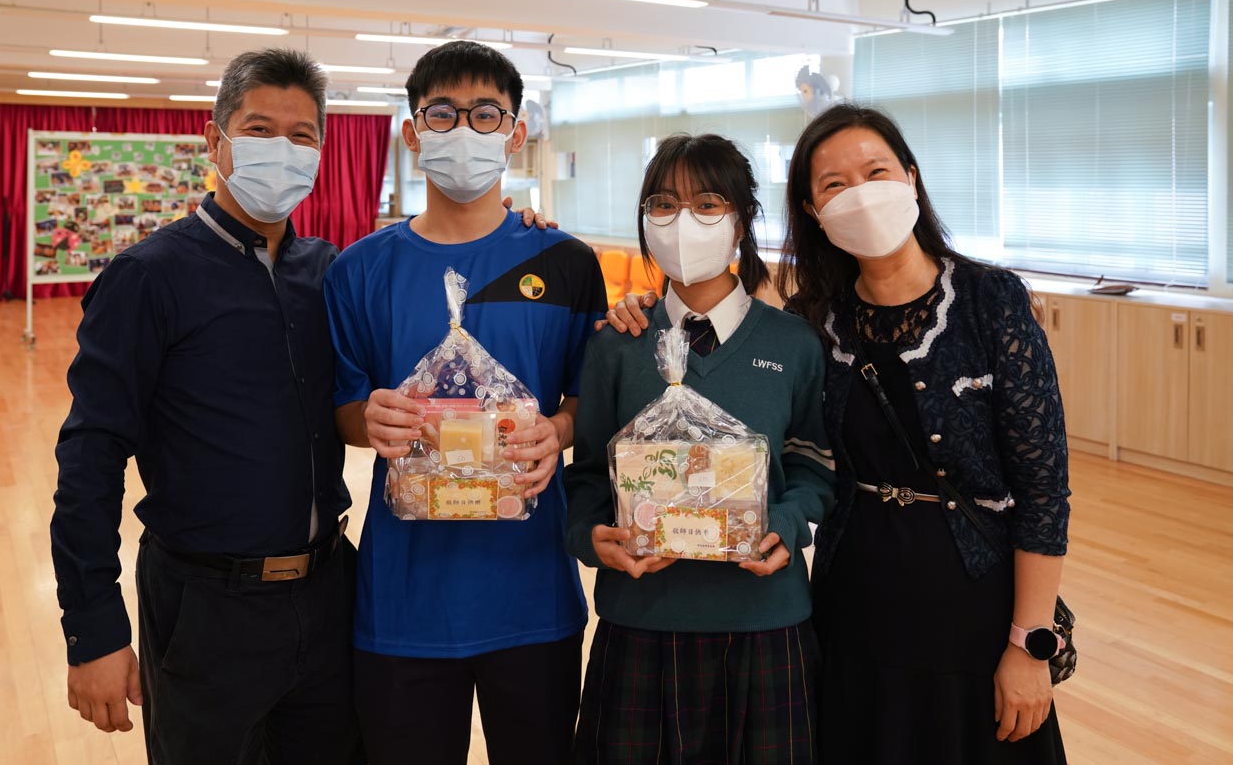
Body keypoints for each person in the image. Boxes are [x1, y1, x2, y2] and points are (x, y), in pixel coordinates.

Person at [609, 105, 1072, 764]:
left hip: (972, 599)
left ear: (910, 177)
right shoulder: (814, 321)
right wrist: (647, 312)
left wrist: (1030, 642)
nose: (859, 193)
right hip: (853, 598)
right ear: (813, 209)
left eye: (875, 172)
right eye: (833, 184)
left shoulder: (990, 301)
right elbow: (781, 440)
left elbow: (1044, 489)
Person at [51, 48, 362, 763]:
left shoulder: (329, 273)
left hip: (329, 594)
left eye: (301, 135)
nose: (281, 149)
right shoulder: (148, 277)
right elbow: (91, 454)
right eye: (258, 130)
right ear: (215, 140)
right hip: (206, 607)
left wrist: (517, 230)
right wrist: (93, 629)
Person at [325, 40, 607, 765]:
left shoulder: (566, 263)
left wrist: (559, 428)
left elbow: (591, 397)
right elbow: (345, 410)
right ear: (412, 132)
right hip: (403, 602)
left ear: (515, 133)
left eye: (486, 114)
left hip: (533, 593)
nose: (464, 129)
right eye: (442, 113)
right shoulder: (357, 271)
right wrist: (370, 420)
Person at [565, 134, 837, 764]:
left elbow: (814, 467)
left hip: (764, 619)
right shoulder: (618, 344)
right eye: (663, 204)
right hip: (642, 617)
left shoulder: (794, 344)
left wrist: (787, 523)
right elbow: (587, 477)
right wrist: (590, 538)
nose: (682, 220)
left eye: (708, 204)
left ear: (742, 219)